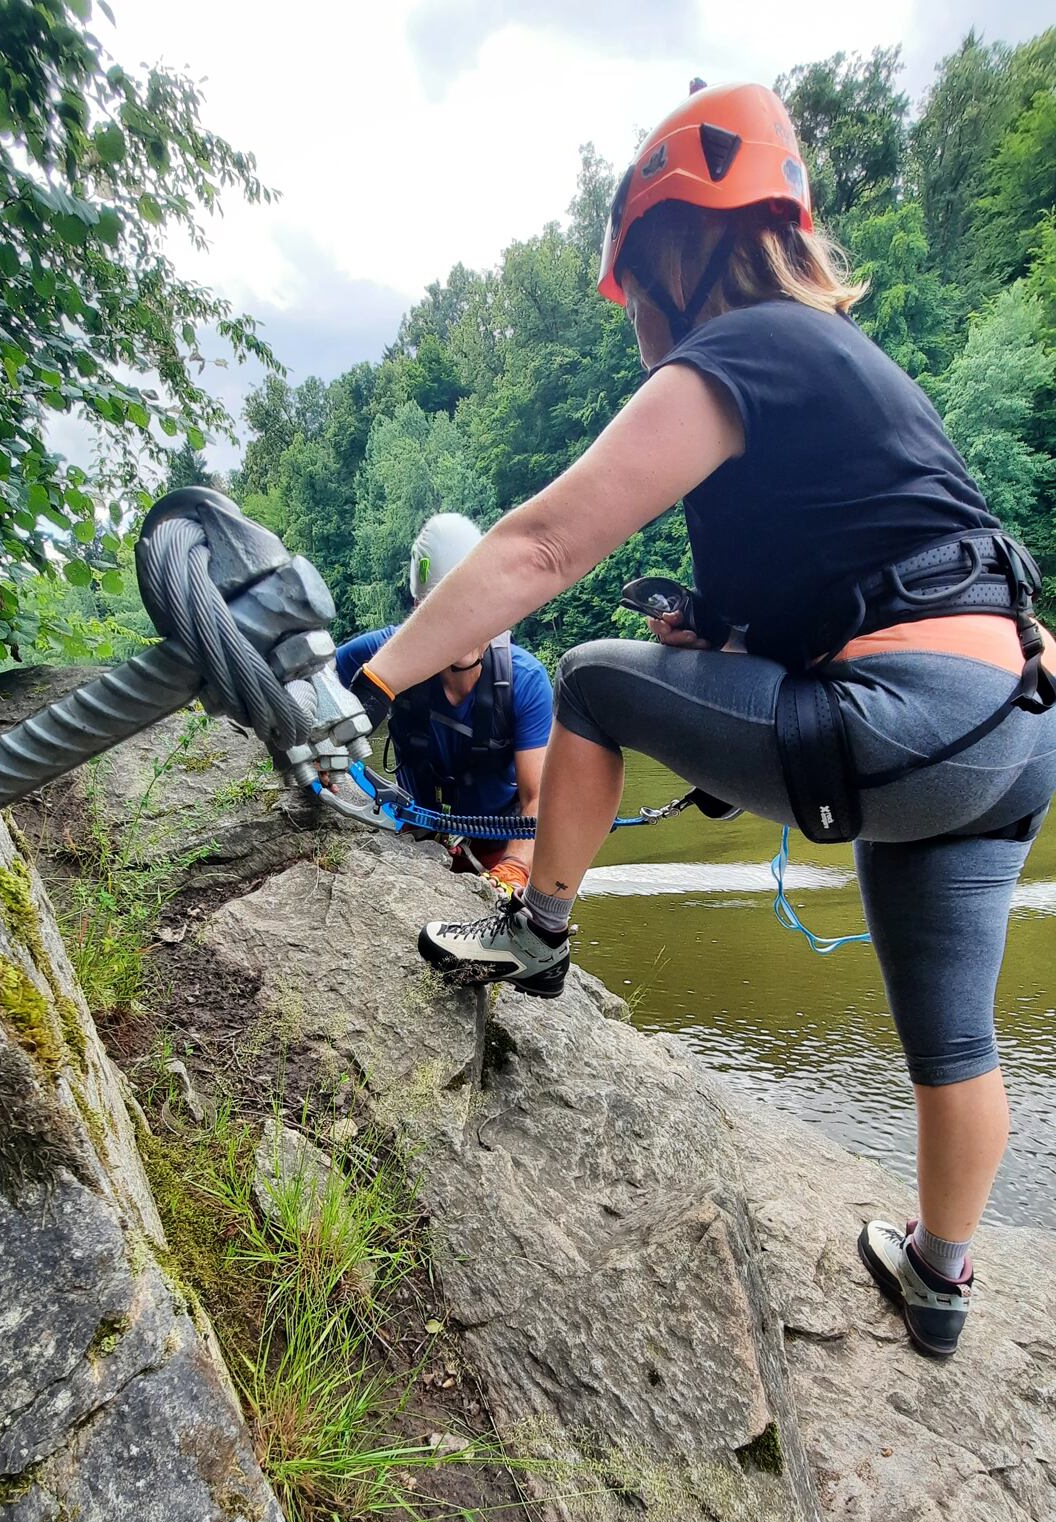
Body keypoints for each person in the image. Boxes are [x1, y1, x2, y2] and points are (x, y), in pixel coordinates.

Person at [344, 81, 1056, 1362]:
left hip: (903, 717)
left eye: (634, 286)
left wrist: (374, 681)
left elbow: (544, 545)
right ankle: (940, 1277)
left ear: (675, 253)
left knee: (593, 680)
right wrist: (725, 647)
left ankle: (536, 933)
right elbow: (877, 570)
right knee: (956, 1034)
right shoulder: (850, 370)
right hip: (1011, 727)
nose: (634, 321)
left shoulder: (742, 350)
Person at [334, 513, 552, 888]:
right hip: (414, 835)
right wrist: (323, 754)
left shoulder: (525, 681)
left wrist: (514, 869)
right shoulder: (386, 652)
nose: (463, 625)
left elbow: (537, 799)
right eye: (445, 609)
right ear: (420, 612)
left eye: (476, 605)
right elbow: (312, 682)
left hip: (499, 847)